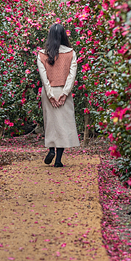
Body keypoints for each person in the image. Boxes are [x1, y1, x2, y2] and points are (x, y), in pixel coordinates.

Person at [36, 23, 79, 167]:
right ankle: (59, 160)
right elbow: (71, 76)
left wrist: (49, 94)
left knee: (51, 123)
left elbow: (44, 77)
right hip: (63, 92)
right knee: (63, 124)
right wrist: (65, 93)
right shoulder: (71, 53)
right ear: (63, 36)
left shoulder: (42, 54)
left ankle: (51, 150)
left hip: (49, 92)